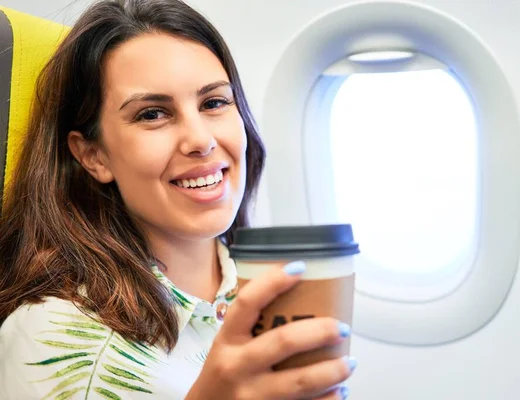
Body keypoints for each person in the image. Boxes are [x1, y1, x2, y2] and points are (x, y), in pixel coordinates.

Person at [0, 0, 356, 398]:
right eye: (153, 114)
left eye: (214, 103)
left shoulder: (264, 288)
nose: (201, 140)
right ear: (93, 156)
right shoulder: (56, 340)